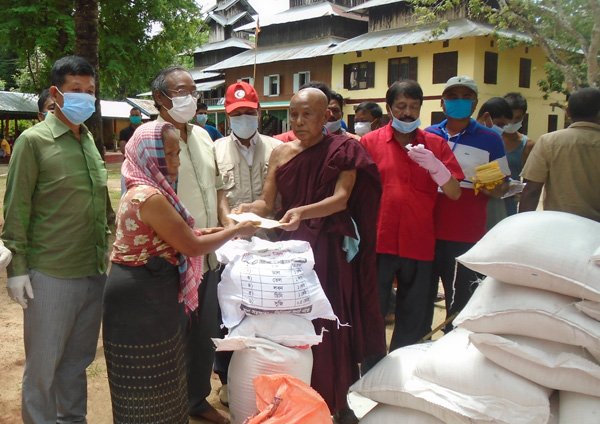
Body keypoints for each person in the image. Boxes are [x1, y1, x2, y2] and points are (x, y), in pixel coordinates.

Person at [235, 87, 386, 424]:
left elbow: (342, 198)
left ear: (326, 116)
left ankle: (338, 401)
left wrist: (303, 211)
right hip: (290, 251)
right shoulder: (281, 152)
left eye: (308, 115)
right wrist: (248, 210)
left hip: (326, 250)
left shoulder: (344, 148)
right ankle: (296, 402)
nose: (299, 122)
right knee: (295, 326)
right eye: (293, 114)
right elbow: (267, 202)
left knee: (329, 325)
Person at [103, 121, 258, 424]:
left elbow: (174, 235)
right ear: (149, 156)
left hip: (147, 289)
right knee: (147, 377)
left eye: (177, 154)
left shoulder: (147, 189)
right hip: (140, 299)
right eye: (169, 155)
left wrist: (213, 230)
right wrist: (236, 230)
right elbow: (191, 246)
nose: (175, 163)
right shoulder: (150, 197)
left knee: (161, 370)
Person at [2, 55, 107, 424]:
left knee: (77, 364)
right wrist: (16, 270)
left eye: (90, 91)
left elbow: (102, 206)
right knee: (43, 370)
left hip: (93, 270)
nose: (84, 97)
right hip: (52, 274)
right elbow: (16, 210)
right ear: (55, 93)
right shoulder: (33, 142)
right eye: (75, 90)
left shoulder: (90, 140)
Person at [151, 65, 230, 424]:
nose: (191, 99)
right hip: (172, 255)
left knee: (204, 332)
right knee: (171, 335)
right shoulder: (150, 137)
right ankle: (168, 404)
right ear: (160, 99)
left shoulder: (203, 135)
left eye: (193, 92)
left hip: (209, 252)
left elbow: (216, 188)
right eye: (181, 92)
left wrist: (227, 221)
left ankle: (196, 398)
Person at [361, 80, 463, 353]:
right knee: (373, 310)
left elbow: (454, 192)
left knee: (415, 313)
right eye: (401, 106)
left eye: (414, 107)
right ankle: (371, 369)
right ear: (389, 108)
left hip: (419, 242)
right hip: (378, 242)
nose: (408, 113)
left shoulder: (436, 145)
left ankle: (405, 369)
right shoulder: (370, 142)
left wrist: (436, 167)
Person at [425, 76, 510, 332]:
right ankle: (418, 349)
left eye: (465, 97)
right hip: (425, 231)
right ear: (442, 103)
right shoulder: (427, 135)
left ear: (474, 104)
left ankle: (454, 352)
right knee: (421, 298)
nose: (458, 101)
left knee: (460, 302)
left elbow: (503, 187)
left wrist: (493, 186)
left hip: (466, 234)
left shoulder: (490, 140)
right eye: (453, 96)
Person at [520, 87, 600, 222]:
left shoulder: (548, 142)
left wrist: (521, 225)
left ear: (568, 113)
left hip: (558, 225)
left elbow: (532, 191)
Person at [475, 97, 513, 229]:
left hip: (489, 208)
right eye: (500, 124)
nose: (502, 130)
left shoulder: (495, 142)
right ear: (486, 117)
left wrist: (497, 189)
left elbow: (504, 183)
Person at [502, 92, 536, 216]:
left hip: (508, 210)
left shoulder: (528, 145)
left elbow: (530, 187)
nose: (512, 122)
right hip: (484, 205)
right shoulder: (488, 138)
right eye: (510, 117)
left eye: (518, 118)